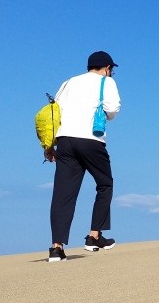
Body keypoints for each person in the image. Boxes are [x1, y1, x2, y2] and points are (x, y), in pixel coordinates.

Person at [45, 51, 122, 262]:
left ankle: (56, 248)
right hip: (91, 140)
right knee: (105, 184)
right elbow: (113, 109)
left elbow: (54, 113)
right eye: (111, 69)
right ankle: (94, 236)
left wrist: (49, 145)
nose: (111, 73)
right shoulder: (106, 83)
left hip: (65, 140)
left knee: (63, 194)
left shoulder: (69, 82)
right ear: (106, 68)